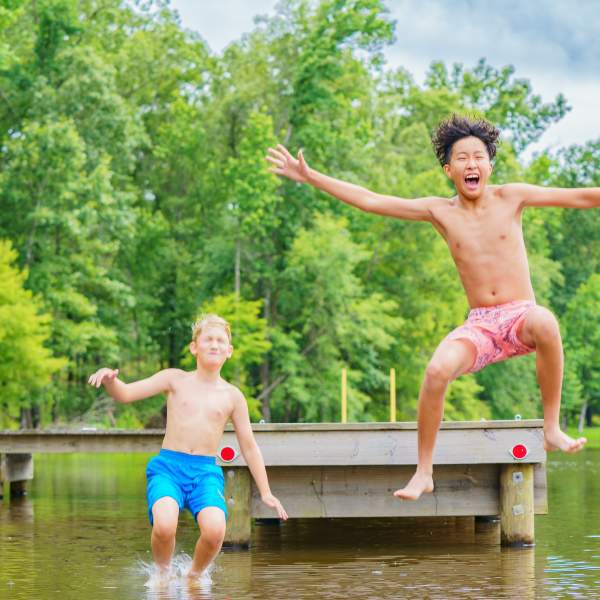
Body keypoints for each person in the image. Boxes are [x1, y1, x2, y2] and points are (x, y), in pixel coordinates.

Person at [266, 113, 591, 501]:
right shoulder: (441, 211)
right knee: (436, 370)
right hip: (482, 325)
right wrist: (312, 176)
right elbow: (372, 201)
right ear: (448, 169)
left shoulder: (512, 196)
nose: (472, 164)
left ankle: (551, 427)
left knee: (546, 322)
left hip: (520, 314)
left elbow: (580, 197)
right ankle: (423, 472)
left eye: (478, 157)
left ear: (490, 165)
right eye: (462, 158)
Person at [88, 314, 288, 579]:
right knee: (164, 525)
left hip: (204, 473)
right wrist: (110, 380)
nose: (214, 344)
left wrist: (265, 491)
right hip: (168, 468)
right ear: (195, 347)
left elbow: (249, 446)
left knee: (216, 529)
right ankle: (162, 574)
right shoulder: (174, 380)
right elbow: (126, 394)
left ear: (229, 351)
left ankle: (194, 577)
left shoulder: (232, 396)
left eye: (221, 341)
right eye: (208, 339)